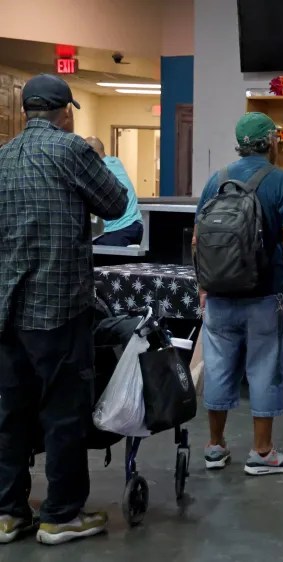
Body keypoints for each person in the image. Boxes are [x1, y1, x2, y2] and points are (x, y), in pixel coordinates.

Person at [0, 74, 128, 545]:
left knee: (11, 412)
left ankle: (8, 513)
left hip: (6, 311)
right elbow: (116, 204)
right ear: (66, 112)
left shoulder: (1, 157)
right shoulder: (72, 151)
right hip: (59, 308)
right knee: (62, 412)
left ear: (25, 110)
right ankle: (60, 515)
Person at [194, 112, 283, 475]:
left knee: (217, 367)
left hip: (220, 294)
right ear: (272, 141)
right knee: (265, 369)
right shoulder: (281, 182)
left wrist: (204, 286)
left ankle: (215, 447)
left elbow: (199, 240)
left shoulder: (217, 180)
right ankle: (262, 452)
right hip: (265, 294)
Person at [84, 137, 144, 246]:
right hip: (136, 225)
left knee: (90, 252)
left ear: (91, 153)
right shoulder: (115, 161)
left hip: (121, 229)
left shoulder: (100, 171)